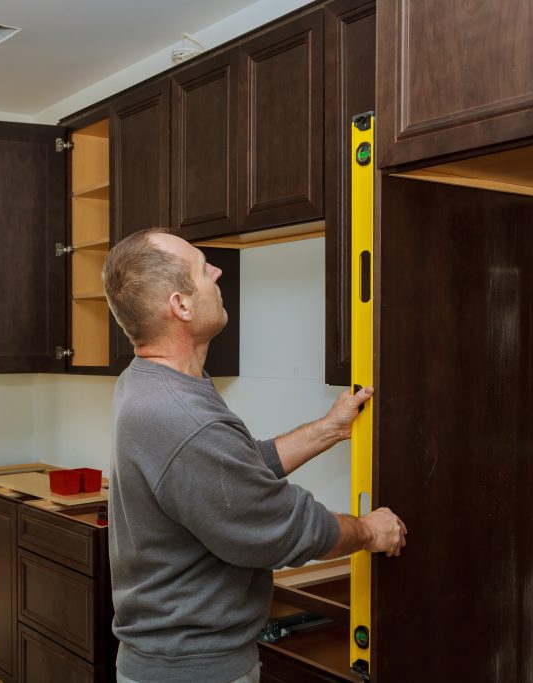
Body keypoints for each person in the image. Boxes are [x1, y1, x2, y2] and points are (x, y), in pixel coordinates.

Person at [102, 228, 407, 683]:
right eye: (205, 269)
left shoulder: (146, 383)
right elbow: (282, 527)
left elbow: (230, 478)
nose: (218, 271)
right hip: (195, 671)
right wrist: (368, 530)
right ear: (181, 305)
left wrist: (328, 430)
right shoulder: (182, 417)